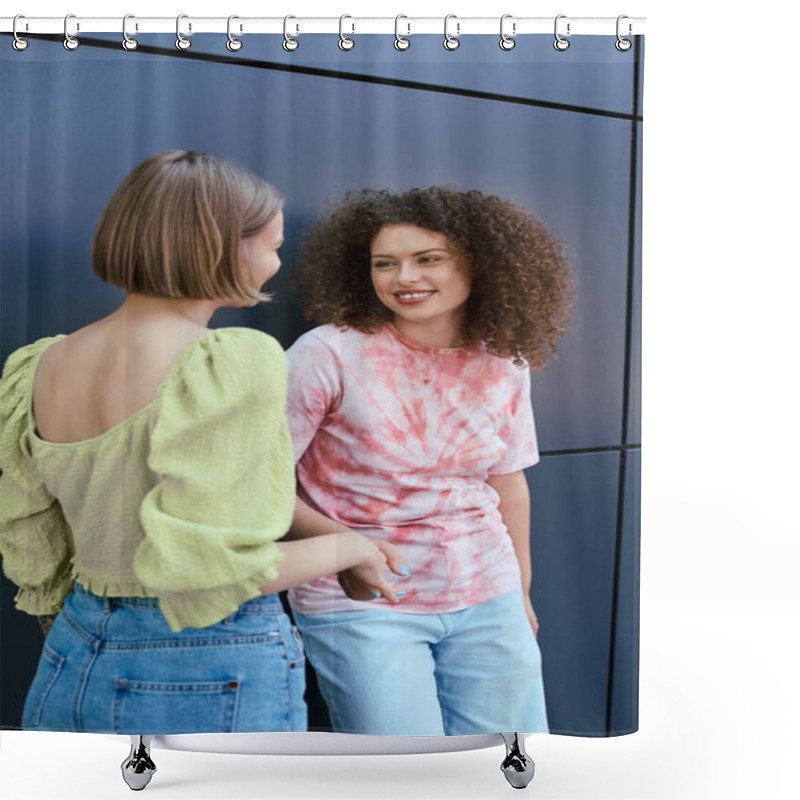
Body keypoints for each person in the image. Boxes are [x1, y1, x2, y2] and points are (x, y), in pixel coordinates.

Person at [0, 151, 395, 734]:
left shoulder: (40, 366)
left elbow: (202, 501)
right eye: (273, 245)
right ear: (226, 247)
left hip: (74, 648)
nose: (275, 263)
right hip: (202, 661)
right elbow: (218, 573)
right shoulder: (222, 361)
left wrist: (345, 534)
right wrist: (350, 553)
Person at [284, 187, 574, 736]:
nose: (403, 277)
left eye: (428, 259)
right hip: (364, 604)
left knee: (506, 764)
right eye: (385, 264)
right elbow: (261, 485)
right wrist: (349, 549)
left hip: (488, 593)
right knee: (406, 776)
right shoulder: (325, 354)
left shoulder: (505, 359)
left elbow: (507, 483)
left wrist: (520, 594)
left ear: (480, 264)